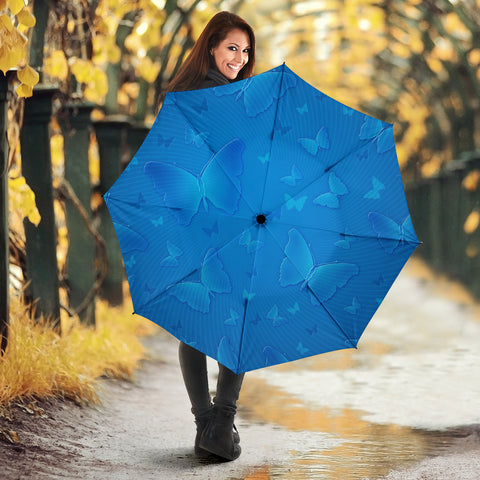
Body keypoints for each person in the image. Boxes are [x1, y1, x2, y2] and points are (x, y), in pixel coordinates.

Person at [164, 11, 256, 462]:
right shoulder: (227, 100)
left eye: (244, 50)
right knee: (238, 318)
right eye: (231, 48)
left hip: (193, 221)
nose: (239, 57)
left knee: (196, 323)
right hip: (230, 222)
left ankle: (207, 424)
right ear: (212, 48)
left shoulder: (182, 96)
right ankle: (221, 422)